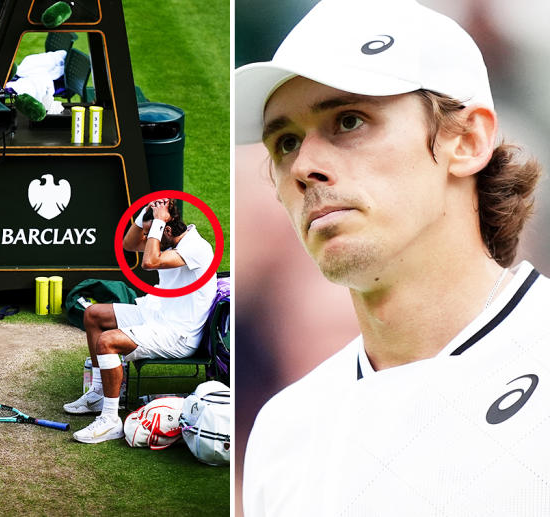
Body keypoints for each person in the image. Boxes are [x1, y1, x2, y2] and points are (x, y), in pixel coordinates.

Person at [235, 0, 549, 515]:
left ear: (468, 141)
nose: (304, 166)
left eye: (350, 121)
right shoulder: (282, 432)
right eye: (285, 141)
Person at [64, 199, 217, 443]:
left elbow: (150, 262)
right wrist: (146, 215)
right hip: (156, 314)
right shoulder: (166, 237)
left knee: (107, 342)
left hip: (177, 334)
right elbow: (129, 244)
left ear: (167, 229)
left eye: (151, 232)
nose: (145, 239)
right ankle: (98, 393)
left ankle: (111, 420)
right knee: (92, 314)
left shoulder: (197, 248)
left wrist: (156, 222)